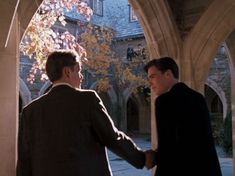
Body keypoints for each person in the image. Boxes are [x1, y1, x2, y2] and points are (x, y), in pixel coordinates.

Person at [17, 50, 150, 176]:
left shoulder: (30, 111)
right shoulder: (87, 100)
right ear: (67, 72)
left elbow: (24, 159)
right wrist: (142, 158)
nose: (81, 77)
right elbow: (111, 137)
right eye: (78, 71)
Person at [144, 57, 222, 176]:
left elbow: (168, 147)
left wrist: (154, 157)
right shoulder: (198, 98)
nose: (150, 83)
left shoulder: (164, 101)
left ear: (168, 74)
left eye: (153, 77)